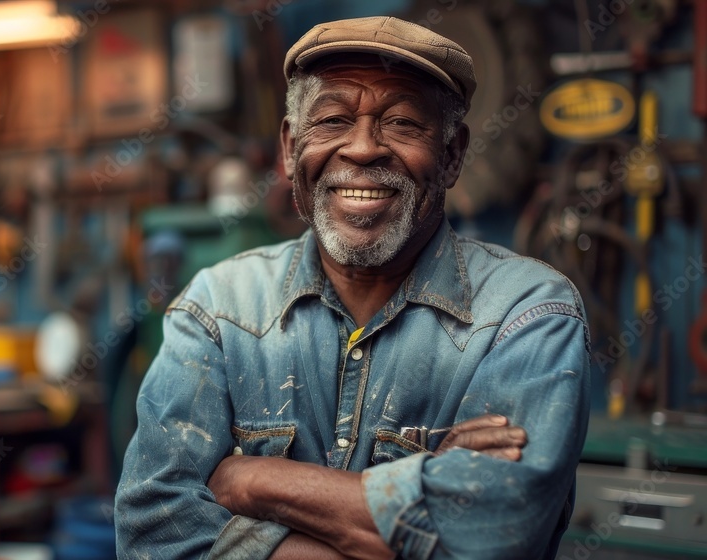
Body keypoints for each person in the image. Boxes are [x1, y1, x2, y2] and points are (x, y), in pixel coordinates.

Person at [115, 15, 590, 560]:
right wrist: (424, 498)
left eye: (404, 123)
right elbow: (152, 533)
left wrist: (251, 482)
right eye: (334, 120)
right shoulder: (219, 310)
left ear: (453, 154)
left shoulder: (527, 316)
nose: (363, 149)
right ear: (291, 149)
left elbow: (491, 539)